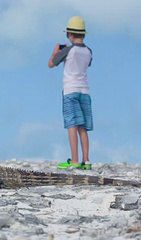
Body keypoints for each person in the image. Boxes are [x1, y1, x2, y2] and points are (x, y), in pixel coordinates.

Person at [48, 16, 93, 170]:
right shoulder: (88, 51)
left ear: (70, 34)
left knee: (72, 125)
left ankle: (74, 160)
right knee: (83, 127)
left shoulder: (68, 50)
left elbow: (50, 64)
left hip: (70, 91)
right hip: (85, 91)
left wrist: (55, 53)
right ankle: (86, 160)